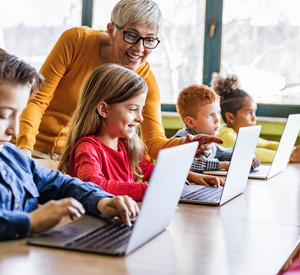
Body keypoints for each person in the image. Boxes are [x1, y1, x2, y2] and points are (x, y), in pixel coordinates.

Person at [14, 0, 222, 162]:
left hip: (77, 159)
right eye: (131, 36)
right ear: (111, 30)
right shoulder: (76, 41)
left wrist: (185, 144)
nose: (139, 49)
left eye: (149, 40)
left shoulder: (145, 80)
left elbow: (153, 142)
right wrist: (24, 150)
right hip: (32, 149)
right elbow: (37, 99)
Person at [0, 49, 139, 241]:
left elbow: (62, 184)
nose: (15, 131)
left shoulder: (11, 156)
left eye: (20, 114)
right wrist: (30, 222)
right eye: (5, 115)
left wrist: (103, 202)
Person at [58, 64, 223, 199]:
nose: (140, 118)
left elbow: (150, 170)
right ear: (103, 109)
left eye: (141, 110)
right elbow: (94, 186)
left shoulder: (126, 144)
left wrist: (191, 176)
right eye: (132, 109)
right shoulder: (87, 148)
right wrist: (149, 191)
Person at [211, 74, 300, 163]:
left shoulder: (241, 134)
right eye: (249, 113)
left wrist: (294, 149)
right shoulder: (225, 136)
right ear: (230, 117)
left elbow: (267, 145)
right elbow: (249, 154)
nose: (254, 118)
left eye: (254, 112)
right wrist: (290, 156)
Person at [173, 84, 260, 174]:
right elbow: (190, 164)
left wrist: (247, 156)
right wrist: (224, 165)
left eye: (218, 113)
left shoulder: (208, 141)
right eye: (210, 115)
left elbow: (225, 153)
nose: (218, 119)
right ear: (191, 122)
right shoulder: (181, 140)